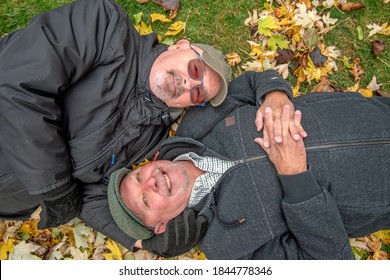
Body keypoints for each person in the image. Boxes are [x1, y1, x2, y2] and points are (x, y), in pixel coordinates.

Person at [0, 0, 299, 257]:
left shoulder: (151, 137)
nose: (188, 84)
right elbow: (17, 85)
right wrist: (52, 185)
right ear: (182, 45)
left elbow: (91, 193)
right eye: (195, 70)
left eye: (197, 94)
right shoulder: (105, 25)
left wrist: (145, 239)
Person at [107, 70, 390, 259]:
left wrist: (275, 95)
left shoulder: (197, 125)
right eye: (145, 200)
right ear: (161, 226)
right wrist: (295, 179)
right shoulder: (227, 248)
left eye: (138, 177)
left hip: (376, 113)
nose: (150, 181)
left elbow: (253, 81)